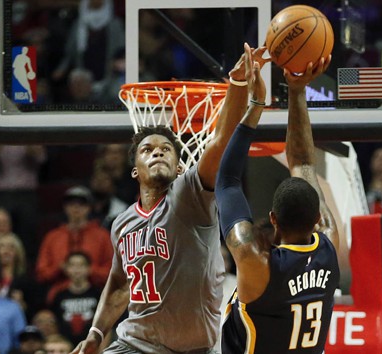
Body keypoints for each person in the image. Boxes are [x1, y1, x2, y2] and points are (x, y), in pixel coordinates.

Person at [71, 44, 262, 354]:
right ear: (135, 171)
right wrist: (95, 332)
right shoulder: (121, 223)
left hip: (194, 349)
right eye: (147, 150)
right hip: (135, 344)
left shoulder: (190, 194)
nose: (157, 151)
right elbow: (120, 283)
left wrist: (238, 85)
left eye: (165, 149)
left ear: (181, 166)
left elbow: (220, 142)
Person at [215, 48, 339, 353]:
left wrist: (256, 103)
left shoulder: (256, 261)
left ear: (273, 218)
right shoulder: (329, 241)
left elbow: (228, 181)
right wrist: (297, 90)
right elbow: (304, 164)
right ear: (317, 218)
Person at [36, 186, 113, 289]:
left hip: (95, 292)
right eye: (71, 204)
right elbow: (41, 273)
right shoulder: (52, 237)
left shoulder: (102, 236)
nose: (76, 208)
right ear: (65, 207)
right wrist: (60, 268)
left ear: (89, 208)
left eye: (81, 204)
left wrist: (88, 270)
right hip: (59, 293)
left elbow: (112, 271)